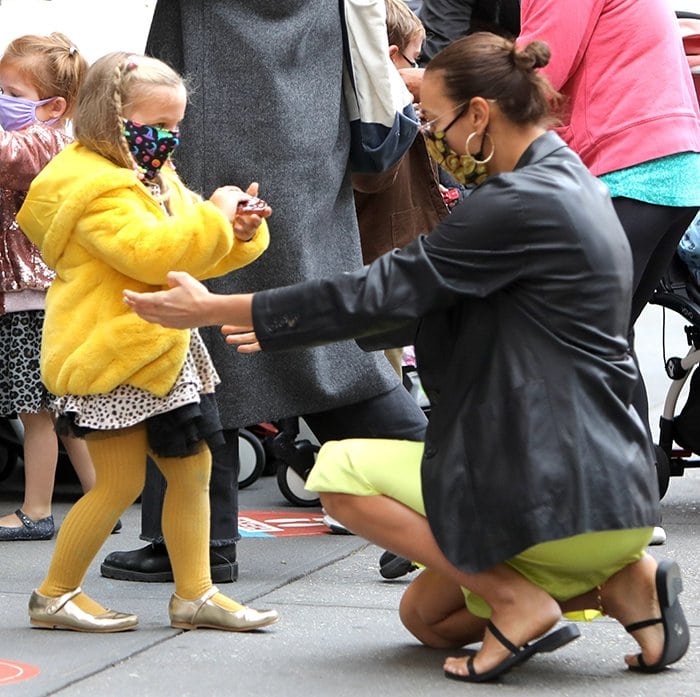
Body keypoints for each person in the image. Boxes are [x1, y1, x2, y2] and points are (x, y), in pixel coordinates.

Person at [123, 33, 689, 682]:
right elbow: (418, 295)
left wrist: (224, 309)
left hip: (547, 486)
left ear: (479, 114)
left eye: (432, 118)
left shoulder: (514, 204)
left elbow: (382, 287)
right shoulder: (575, 184)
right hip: (616, 498)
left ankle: (517, 598)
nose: (431, 134)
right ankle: (624, 588)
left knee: (335, 470)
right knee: (427, 619)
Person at [102, 0, 429, 582]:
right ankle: (443, 492)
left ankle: (199, 542)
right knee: (328, 347)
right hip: (307, 147)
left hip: (212, 140)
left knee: (199, 337)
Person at [16, 51, 277, 633]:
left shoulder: (150, 174)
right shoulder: (90, 188)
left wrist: (237, 232)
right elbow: (153, 254)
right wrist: (215, 214)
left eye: (176, 125)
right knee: (119, 483)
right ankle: (54, 595)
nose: (169, 137)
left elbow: (189, 247)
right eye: (157, 125)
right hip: (112, 354)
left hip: (162, 352)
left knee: (193, 471)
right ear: (110, 118)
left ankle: (195, 595)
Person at [518, 0, 700, 445]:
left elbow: (534, 75)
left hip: (630, 167)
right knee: (605, 336)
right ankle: (630, 486)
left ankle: (626, 490)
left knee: (586, 335)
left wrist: (435, 86)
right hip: (665, 165)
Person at [0, 32, 98, 542]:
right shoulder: (52, 136)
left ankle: (36, 510)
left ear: (53, 105)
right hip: (39, 294)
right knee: (60, 408)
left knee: (36, 410)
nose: (3, 102)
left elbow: (7, 157)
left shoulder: (44, 141)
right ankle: (102, 497)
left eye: (13, 95)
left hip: (29, 298)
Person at [354, 0, 449, 377]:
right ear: (392, 58)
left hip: (394, 264)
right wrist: (399, 100)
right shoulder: (381, 115)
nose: (419, 68)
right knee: (384, 367)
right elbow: (375, 176)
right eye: (414, 59)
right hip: (383, 263)